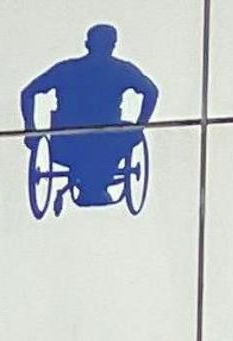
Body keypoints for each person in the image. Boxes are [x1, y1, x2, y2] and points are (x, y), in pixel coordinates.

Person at [23, 26, 161, 211]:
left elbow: (28, 93)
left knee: (120, 135)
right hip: (105, 142)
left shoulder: (67, 69)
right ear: (112, 45)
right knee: (124, 133)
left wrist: (30, 129)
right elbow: (151, 91)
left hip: (68, 143)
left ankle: (94, 179)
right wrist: (139, 126)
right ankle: (96, 180)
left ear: (87, 44)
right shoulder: (120, 70)